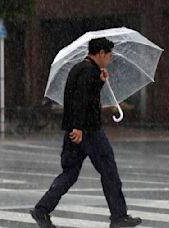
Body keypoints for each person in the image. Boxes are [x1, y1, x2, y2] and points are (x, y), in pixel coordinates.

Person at [30, 38, 142, 228]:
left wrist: (100, 82)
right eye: (109, 55)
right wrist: (80, 128)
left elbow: (82, 97)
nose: (110, 59)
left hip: (74, 130)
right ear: (100, 53)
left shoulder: (79, 70)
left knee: (70, 172)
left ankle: (42, 209)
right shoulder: (89, 72)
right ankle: (119, 216)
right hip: (89, 130)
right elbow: (82, 101)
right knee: (109, 170)